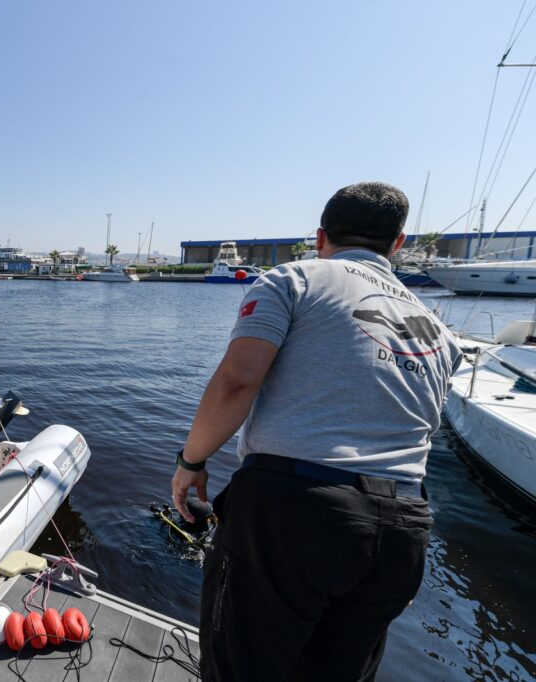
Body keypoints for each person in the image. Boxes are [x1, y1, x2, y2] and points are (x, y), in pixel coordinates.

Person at [171, 182, 462, 681]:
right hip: (403, 525)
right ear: (397, 243)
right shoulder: (438, 330)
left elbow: (237, 381)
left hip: (296, 511)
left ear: (321, 236)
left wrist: (191, 463)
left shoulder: (294, 279)